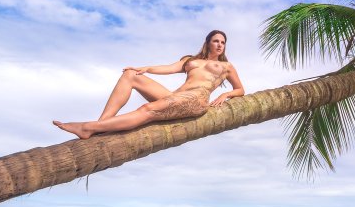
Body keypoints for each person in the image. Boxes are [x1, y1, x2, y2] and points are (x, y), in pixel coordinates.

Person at [53, 30, 244, 140]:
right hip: (175, 96)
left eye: (223, 42)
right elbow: (169, 68)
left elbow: (240, 89)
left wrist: (224, 95)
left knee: (147, 108)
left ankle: (89, 127)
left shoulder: (226, 66)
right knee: (130, 75)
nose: (220, 45)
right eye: (216, 41)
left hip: (196, 100)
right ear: (208, 43)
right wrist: (145, 68)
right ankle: (101, 125)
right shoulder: (191, 59)